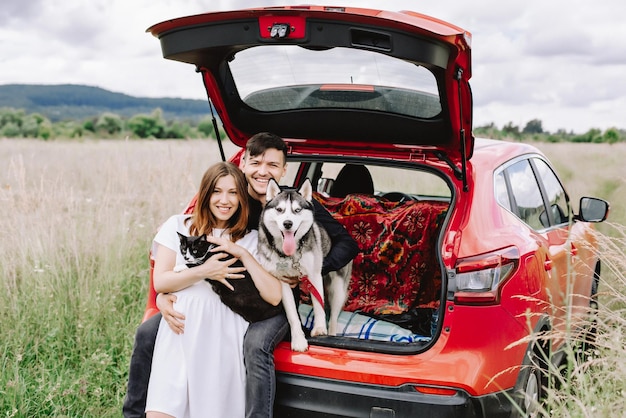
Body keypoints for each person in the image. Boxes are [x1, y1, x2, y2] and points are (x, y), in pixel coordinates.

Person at [123, 132, 359, 418]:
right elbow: (181, 253)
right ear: (244, 163)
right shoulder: (230, 199)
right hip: (209, 296)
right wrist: (161, 296)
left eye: (272, 165)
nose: (263, 170)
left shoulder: (295, 203)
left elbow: (347, 244)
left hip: (269, 300)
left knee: (255, 344)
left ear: (283, 170)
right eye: (256, 162)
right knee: (148, 331)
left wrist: (305, 271)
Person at [145, 161, 282, 417]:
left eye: (233, 193)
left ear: (242, 198)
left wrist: (242, 253)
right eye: (217, 191)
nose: (225, 200)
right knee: (160, 411)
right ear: (205, 193)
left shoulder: (253, 239)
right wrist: (204, 271)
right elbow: (160, 282)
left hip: (223, 336)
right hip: (179, 333)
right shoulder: (178, 226)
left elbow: (274, 296)